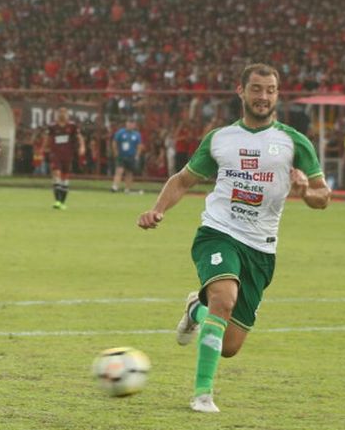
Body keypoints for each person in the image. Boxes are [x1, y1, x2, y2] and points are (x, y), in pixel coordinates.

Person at [137, 63, 331, 413]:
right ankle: (202, 394)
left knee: (229, 345)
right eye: (256, 89)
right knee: (224, 300)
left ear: (277, 94)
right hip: (218, 232)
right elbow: (183, 180)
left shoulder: (294, 142)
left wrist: (305, 192)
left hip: (261, 248)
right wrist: (157, 209)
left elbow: (323, 197)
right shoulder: (221, 139)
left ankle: (196, 310)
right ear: (241, 92)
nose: (263, 96)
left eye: (270, 90)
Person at [42, 106, 85, 210]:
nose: (62, 114)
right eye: (60, 112)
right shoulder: (52, 126)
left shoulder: (72, 126)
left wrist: (82, 146)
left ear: (67, 114)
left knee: (65, 178)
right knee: (57, 174)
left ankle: (62, 202)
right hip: (55, 154)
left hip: (67, 154)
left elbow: (80, 137)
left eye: (64, 112)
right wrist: (44, 148)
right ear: (57, 114)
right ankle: (57, 201)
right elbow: (47, 138)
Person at [111, 117, 142, 193]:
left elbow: (139, 146)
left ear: (134, 125)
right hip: (121, 155)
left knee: (129, 172)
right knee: (119, 170)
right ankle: (115, 186)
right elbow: (114, 142)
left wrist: (137, 155)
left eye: (132, 123)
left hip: (131, 156)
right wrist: (115, 152)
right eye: (129, 123)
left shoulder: (136, 134)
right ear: (126, 123)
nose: (130, 125)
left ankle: (127, 188)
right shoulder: (121, 132)